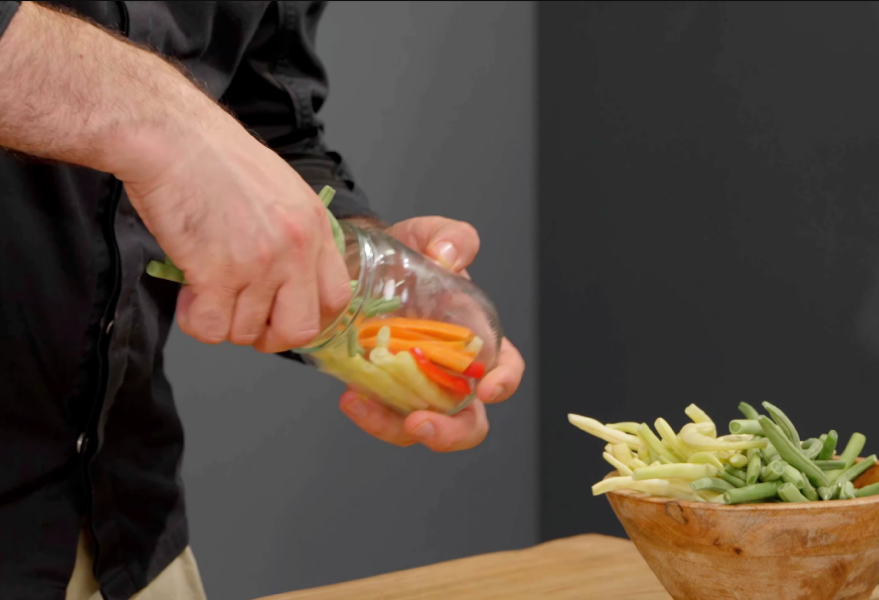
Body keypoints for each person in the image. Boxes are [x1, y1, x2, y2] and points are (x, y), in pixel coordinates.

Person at [0, 2, 526, 599]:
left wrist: (360, 278)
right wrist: (161, 119)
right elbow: (200, 137)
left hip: (129, 538)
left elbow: (262, 121)